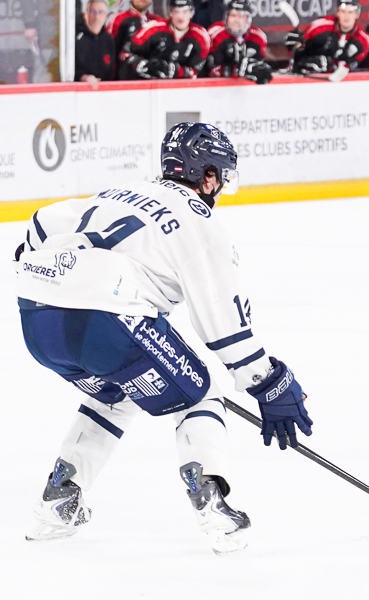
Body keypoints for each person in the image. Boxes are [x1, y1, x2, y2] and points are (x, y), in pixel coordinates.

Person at [15, 122, 312, 554]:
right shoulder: (200, 222)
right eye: (220, 177)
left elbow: (42, 221)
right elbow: (223, 322)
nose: (219, 188)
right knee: (200, 393)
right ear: (206, 175)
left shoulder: (121, 191)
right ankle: (213, 506)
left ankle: (60, 499)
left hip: (38, 321)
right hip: (108, 321)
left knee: (116, 394)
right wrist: (267, 382)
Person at [120, 0, 211, 79]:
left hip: (181, 88)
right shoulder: (152, 29)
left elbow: (195, 71)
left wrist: (174, 70)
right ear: (170, 13)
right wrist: (144, 65)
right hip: (148, 85)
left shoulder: (201, 37)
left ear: (191, 14)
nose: (180, 17)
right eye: (176, 12)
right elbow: (125, 54)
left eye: (185, 12)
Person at [292, 0, 369, 74]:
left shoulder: (364, 40)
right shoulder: (319, 27)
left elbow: (351, 65)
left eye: (350, 12)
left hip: (339, 80)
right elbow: (298, 47)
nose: (346, 16)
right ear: (338, 13)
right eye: (343, 11)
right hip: (309, 75)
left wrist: (331, 66)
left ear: (357, 14)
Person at [207, 0, 272, 84]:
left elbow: (258, 64)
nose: (236, 20)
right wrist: (236, 70)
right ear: (226, 17)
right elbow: (210, 70)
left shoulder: (258, 37)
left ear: (248, 19)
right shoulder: (214, 35)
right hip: (216, 86)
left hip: (245, 86)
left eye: (241, 16)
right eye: (233, 15)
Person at [107, 0, 164, 79]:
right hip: (126, 81)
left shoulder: (159, 22)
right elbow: (107, 52)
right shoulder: (118, 19)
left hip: (155, 81)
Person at [75, 0, 116, 85]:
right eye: (93, 12)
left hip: (104, 90)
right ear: (86, 14)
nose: (97, 17)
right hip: (80, 89)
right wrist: (83, 77)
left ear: (106, 16)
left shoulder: (109, 40)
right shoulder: (76, 38)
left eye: (101, 12)